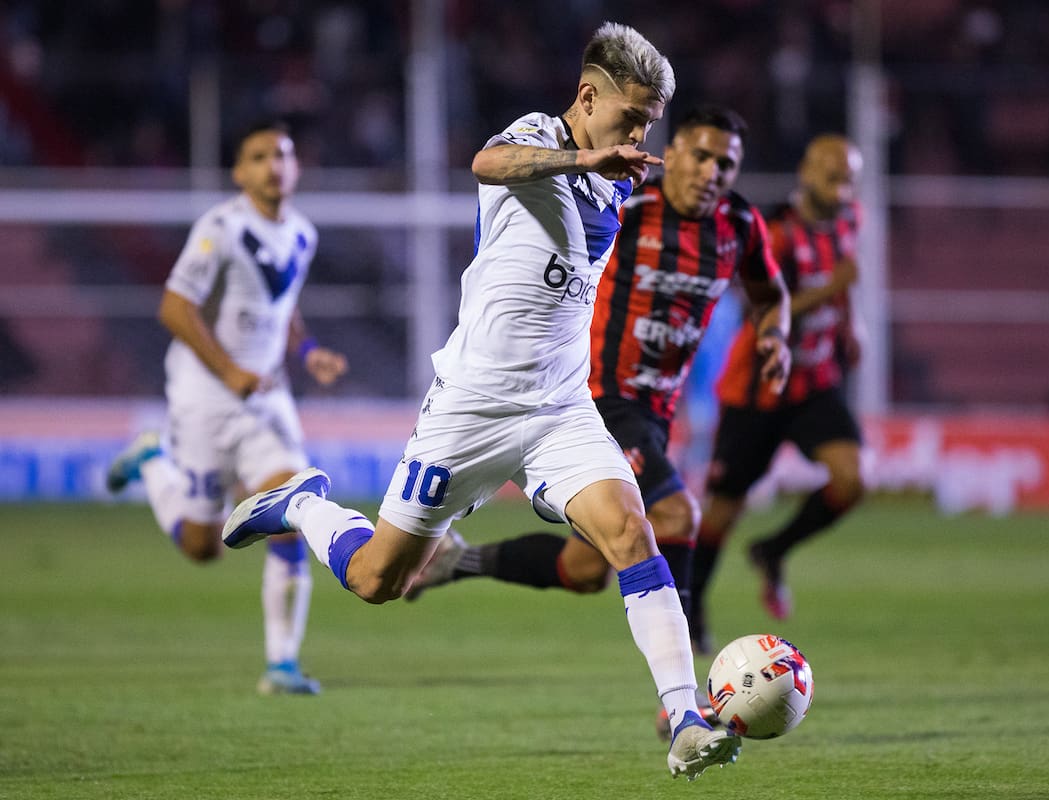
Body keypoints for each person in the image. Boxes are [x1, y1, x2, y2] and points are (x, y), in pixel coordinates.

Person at [220, 23, 740, 781]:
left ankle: (686, 719)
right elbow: (487, 161)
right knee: (376, 582)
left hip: (561, 409)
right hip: (471, 407)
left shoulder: (620, 172)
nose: (638, 137)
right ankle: (303, 505)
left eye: (647, 125)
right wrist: (582, 154)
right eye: (630, 119)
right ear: (588, 98)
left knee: (632, 533)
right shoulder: (542, 136)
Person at [406, 106, 791, 667]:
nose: (711, 172)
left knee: (585, 571)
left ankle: (454, 563)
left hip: (656, 412)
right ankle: (685, 687)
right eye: (701, 156)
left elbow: (770, 292)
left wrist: (775, 337)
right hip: (596, 397)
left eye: (725, 164)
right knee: (678, 515)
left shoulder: (739, 225)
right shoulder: (628, 204)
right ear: (674, 152)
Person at [106, 120, 348, 694]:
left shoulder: (302, 235)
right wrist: (229, 371)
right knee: (201, 546)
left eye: (282, 155)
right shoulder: (220, 228)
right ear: (240, 172)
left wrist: (307, 351)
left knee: (295, 506)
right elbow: (173, 307)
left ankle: (282, 663)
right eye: (259, 156)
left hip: (265, 400)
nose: (273, 165)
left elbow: (281, 304)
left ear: (296, 167)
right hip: (204, 398)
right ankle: (151, 461)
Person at [692, 134, 867, 625]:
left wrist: (852, 327)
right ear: (807, 174)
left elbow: (844, 282)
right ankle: (691, 606)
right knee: (723, 512)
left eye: (849, 181)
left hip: (813, 381)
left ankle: (773, 550)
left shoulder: (851, 221)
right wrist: (833, 289)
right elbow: (758, 308)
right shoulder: (777, 233)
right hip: (758, 386)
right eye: (833, 178)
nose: (841, 191)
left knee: (851, 479)